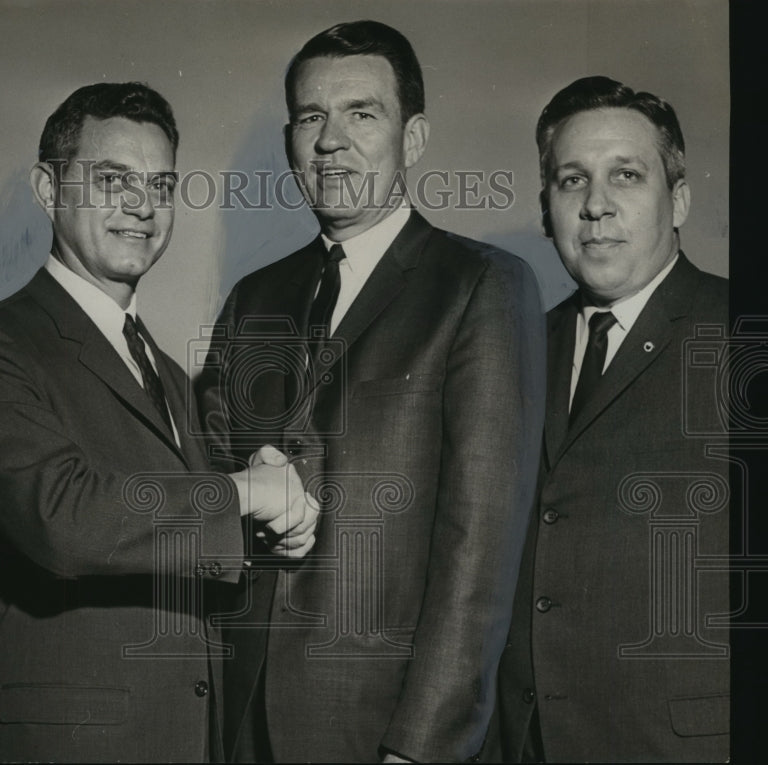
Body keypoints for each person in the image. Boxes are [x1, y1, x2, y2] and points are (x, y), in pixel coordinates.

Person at [0, 82, 317, 762]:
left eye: (161, 185)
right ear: (47, 189)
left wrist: (268, 532)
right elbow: (62, 517)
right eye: (114, 180)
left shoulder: (166, 372)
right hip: (69, 741)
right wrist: (244, 493)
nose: (143, 206)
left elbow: (166, 534)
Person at [194, 20, 546, 763]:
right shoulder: (254, 298)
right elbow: (208, 476)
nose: (331, 141)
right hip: (241, 716)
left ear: (414, 139)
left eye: (362, 112)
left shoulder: (480, 286)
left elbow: (480, 551)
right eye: (311, 118)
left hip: (386, 728)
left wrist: (421, 747)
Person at [494, 76, 730, 762]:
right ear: (546, 209)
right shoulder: (514, 350)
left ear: (678, 197)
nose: (596, 206)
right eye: (572, 181)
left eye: (625, 175)